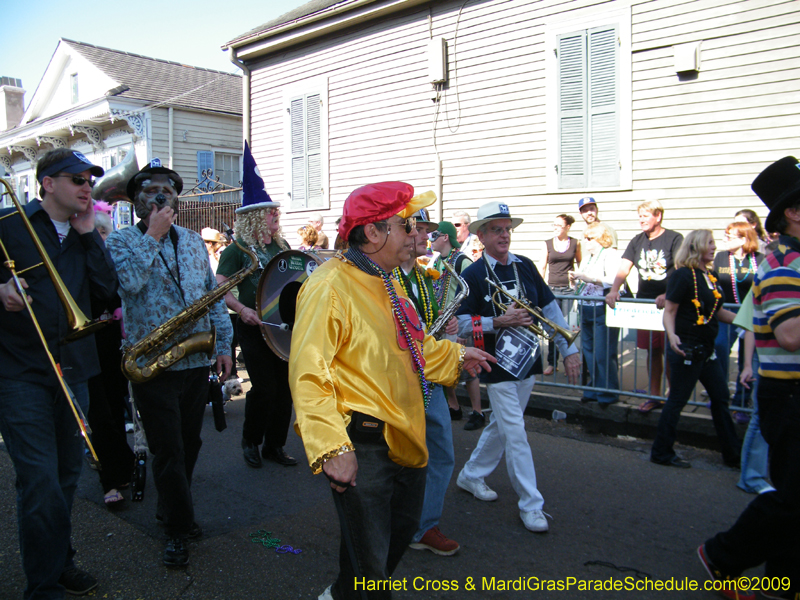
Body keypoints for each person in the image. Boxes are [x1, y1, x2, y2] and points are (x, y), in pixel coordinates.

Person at [288, 182, 495, 600]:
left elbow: (411, 348)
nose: (415, 232)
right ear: (373, 233)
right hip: (363, 444)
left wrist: (456, 357)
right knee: (372, 569)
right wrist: (332, 447)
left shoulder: (389, 282)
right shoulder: (329, 286)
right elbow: (309, 372)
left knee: (391, 541)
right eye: (405, 224)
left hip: (406, 438)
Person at [0, 148, 117, 597]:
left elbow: (106, 293)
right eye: (76, 178)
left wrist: (89, 236)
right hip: (20, 371)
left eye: (90, 179)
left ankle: (58, 558)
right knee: (40, 480)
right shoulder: (9, 226)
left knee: (67, 474)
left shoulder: (87, 231)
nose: (87, 186)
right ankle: (43, 583)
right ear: (48, 183)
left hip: (75, 367)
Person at [106, 158, 233, 568]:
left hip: (194, 360)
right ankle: (178, 529)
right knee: (169, 450)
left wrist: (224, 345)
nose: (160, 195)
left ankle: (170, 507)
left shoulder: (195, 241)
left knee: (190, 443)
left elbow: (209, 296)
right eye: (149, 190)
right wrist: (153, 237)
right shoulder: (123, 241)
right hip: (153, 365)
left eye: (168, 189)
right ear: (136, 200)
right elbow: (130, 284)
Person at [699, 156, 800, 600]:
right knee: (795, 496)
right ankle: (723, 555)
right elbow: (791, 334)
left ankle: (784, 579)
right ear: (793, 212)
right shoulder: (782, 264)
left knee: (794, 494)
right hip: (789, 393)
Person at [456, 201, 581, 533]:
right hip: (495, 363)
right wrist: (498, 320)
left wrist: (568, 348)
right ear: (481, 235)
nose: (504, 235)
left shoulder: (524, 265)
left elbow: (550, 310)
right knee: (516, 433)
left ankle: (471, 474)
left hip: (527, 360)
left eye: (507, 229)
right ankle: (531, 504)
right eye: (497, 229)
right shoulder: (472, 274)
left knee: (503, 425)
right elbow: (462, 324)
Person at [216, 143, 296, 469]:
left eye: (275, 211)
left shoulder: (283, 245)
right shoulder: (237, 250)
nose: (275, 215)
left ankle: (274, 446)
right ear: (252, 218)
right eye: (269, 211)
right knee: (263, 389)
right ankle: (251, 441)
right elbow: (220, 287)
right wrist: (241, 309)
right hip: (251, 327)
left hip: (282, 327)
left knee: (285, 391)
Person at [649, 230, 741, 469]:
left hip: (707, 351)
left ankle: (733, 456)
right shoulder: (682, 275)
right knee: (677, 400)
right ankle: (661, 452)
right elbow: (669, 312)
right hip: (686, 348)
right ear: (697, 246)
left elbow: (718, 312)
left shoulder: (709, 276)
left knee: (721, 399)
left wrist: (746, 322)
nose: (714, 247)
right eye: (710, 243)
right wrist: (672, 337)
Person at [606, 199, 683, 410]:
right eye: (639, 216)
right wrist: (614, 289)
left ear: (658, 216)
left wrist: (669, 294)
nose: (641, 220)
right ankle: (655, 395)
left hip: (669, 305)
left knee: (671, 350)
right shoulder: (637, 240)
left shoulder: (674, 238)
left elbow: (680, 269)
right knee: (653, 351)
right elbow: (624, 267)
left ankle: (674, 396)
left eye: (645, 215)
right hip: (646, 305)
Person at [87, 202, 134, 510]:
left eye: (105, 231)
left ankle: (121, 465)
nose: (102, 237)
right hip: (86, 345)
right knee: (100, 414)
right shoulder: (80, 260)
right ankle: (109, 480)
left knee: (117, 409)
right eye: (96, 233)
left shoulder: (113, 261)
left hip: (112, 345)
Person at [429, 221, 485, 430]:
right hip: (443, 323)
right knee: (446, 366)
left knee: (469, 370)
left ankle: (477, 412)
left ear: (445, 237)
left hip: (460, 322)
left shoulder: (462, 260)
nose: (430, 238)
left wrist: (464, 327)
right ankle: (454, 407)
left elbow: (473, 293)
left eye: (434, 234)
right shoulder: (436, 262)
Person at [712, 222, 764, 421]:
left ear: (744, 239)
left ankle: (741, 403)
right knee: (719, 347)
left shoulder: (759, 259)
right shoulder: (721, 257)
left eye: (730, 236)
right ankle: (719, 393)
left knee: (747, 359)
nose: (724, 239)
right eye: (725, 235)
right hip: (727, 314)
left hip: (751, 316)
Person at [569, 222, 622, 406]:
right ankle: (595, 388)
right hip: (587, 306)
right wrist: (576, 281)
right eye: (585, 238)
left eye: (589, 238)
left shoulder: (610, 254)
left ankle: (608, 391)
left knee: (603, 353)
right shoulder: (587, 257)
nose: (586, 241)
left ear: (600, 239)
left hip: (602, 308)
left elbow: (614, 280)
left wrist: (588, 278)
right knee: (589, 352)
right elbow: (583, 283)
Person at [731, 293, 774, 495]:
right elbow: (750, 324)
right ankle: (751, 477)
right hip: (765, 354)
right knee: (761, 414)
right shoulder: (766, 274)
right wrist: (747, 365)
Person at [541, 214, 581, 376]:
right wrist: (540, 289)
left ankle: (567, 361)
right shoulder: (548, 244)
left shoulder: (575, 243)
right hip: (551, 289)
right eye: (554, 225)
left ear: (567, 227)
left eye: (559, 225)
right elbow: (542, 267)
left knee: (564, 328)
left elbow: (580, 264)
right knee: (553, 327)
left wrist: (577, 279)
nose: (556, 228)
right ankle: (552, 362)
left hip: (568, 290)